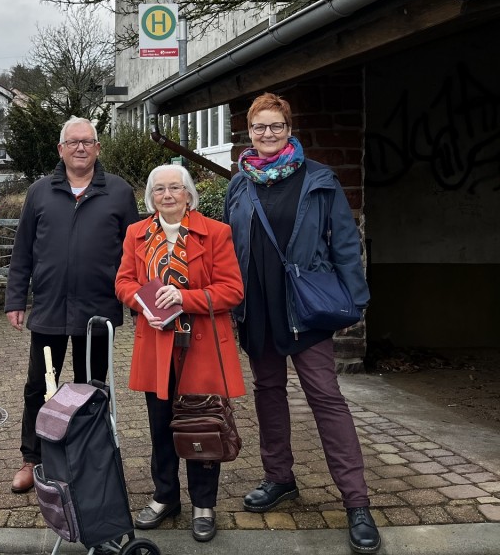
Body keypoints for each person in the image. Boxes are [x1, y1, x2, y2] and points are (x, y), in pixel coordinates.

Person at [223, 92, 379, 554]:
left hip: (305, 308)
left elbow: (346, 244)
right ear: (248, 133)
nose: (266, 134)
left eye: (275, 126)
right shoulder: (240, 184)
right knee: (268, 393)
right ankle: (279, 477)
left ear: (290, 130)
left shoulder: (319, 180)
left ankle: (357, 501)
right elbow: (228, 247)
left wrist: (356, 300)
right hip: (258, 308)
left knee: (326, 398)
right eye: (258, 128)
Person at [5, 116, 139, 494]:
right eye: (73, 142)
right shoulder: (40, 192)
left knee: (92, 390)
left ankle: (87, 461)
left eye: (88, 141)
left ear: (98, 148)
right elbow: (23, 251)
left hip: (97, 315)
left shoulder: (118, 192)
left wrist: (138, 306)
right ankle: (33, 459)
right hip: (48, 310)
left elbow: (136, 253)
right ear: (61, 149)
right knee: (39, 388)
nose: (81, 148)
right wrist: (16, 298)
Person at [114, 164, 245, 542]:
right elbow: (124, 282)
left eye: (175, 188)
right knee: (159, 426)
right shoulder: (136, 234)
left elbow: (233, 290)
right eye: (159, 190)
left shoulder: (216, 232)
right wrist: (143, 304)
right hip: (156, 345)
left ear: (189, 194)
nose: (167, 195)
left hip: (201, 347)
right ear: (150, 197)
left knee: (202, 424)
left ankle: (204, 504)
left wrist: (184, 298)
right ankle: (165, 496)